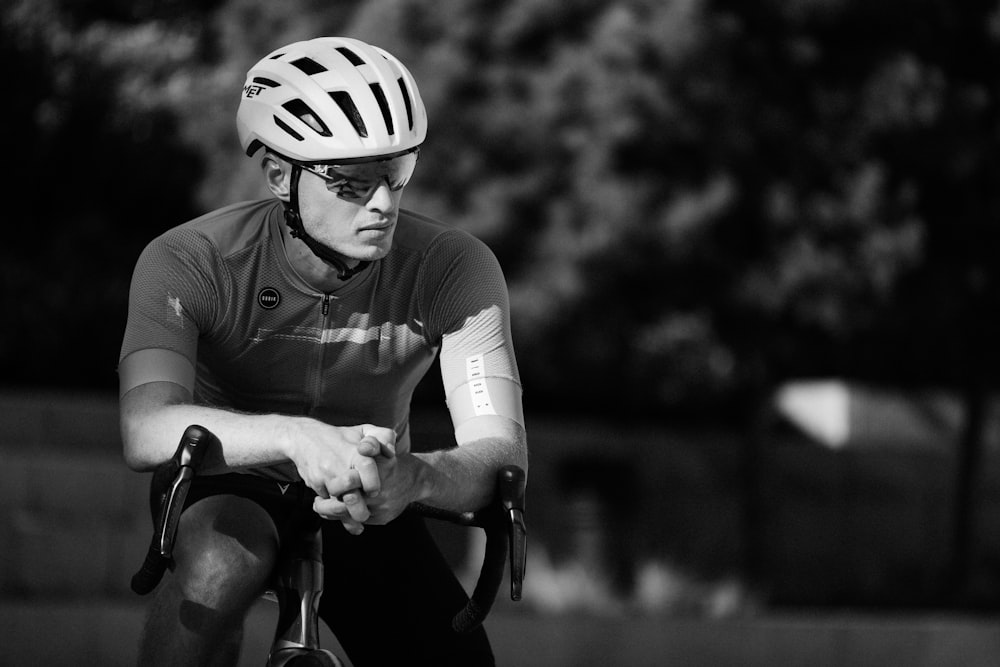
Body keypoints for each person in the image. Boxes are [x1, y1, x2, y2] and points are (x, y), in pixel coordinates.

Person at [118, 36, 527, 666]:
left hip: (368, 492)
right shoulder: (190, 260)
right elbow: (146, 428)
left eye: (398, 175)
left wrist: (414, 477)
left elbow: (500, 454)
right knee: (220, 568)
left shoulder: (454, 269)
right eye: (352, 185)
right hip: (231, 478)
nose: (384, 204)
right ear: (281, 175)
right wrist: (296, 437)